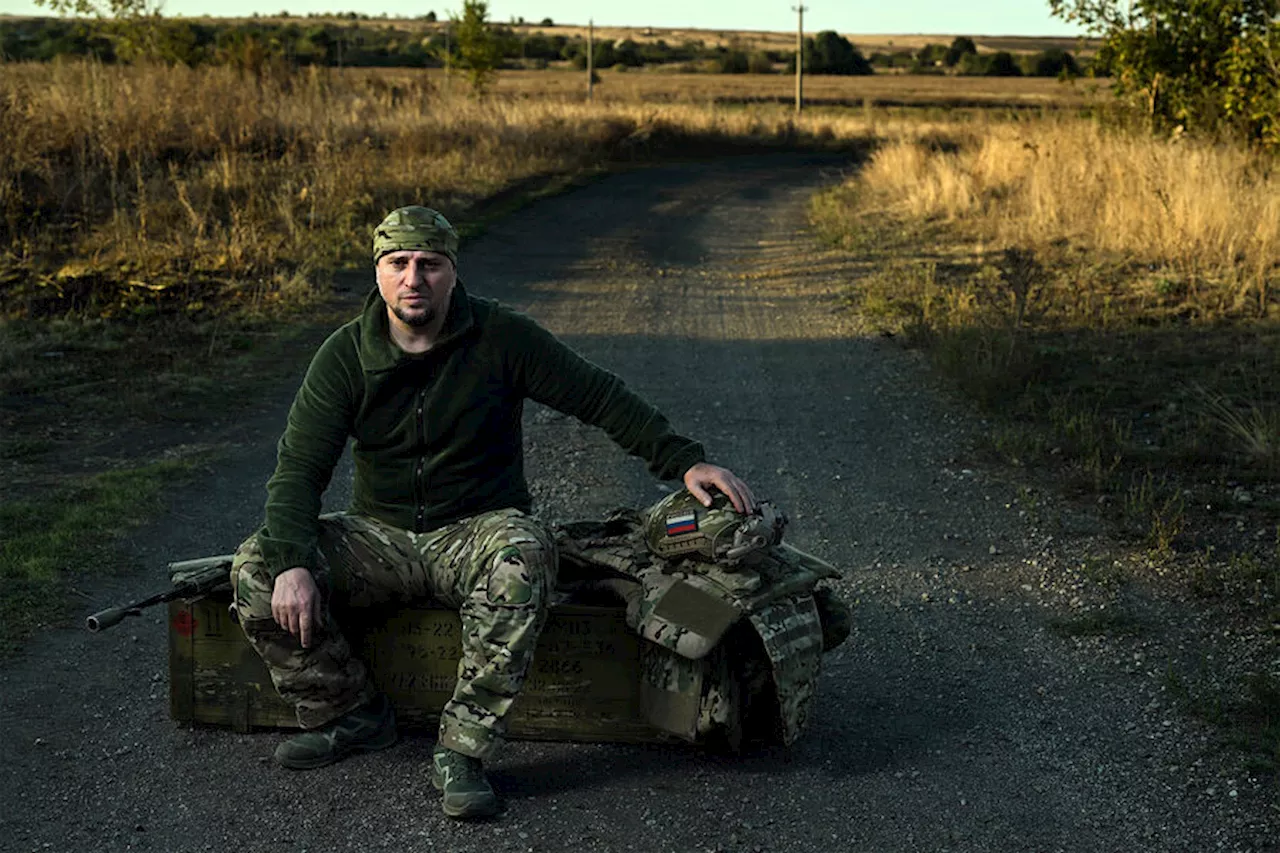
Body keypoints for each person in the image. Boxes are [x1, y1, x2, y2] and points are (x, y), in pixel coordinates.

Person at [229, 205, 755, 820]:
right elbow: (298, 470)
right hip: (382, 536)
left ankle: (463, 751)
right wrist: (292, 561)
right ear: (377, 273)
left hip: (477, 529)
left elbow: (598, 395)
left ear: (453, 273)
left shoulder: (502, 338)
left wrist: (683, 460)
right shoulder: (344, 355)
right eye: (398, 264)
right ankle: (352, 715)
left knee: (524, 556)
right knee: (257, 568)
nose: (413, 278)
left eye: (430, 264)